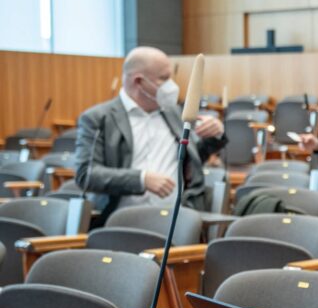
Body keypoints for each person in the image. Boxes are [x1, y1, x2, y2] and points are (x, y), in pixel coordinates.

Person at [74, 47, 226, 224]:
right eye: (164, 78)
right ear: (139, 81)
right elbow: (86, 174)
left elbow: (191, 160)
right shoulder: (99, 118)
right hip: (121, 221)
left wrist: (215, 133)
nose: (172, 85)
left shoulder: (175, 113)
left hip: (175, 219)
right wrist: (141, 179)